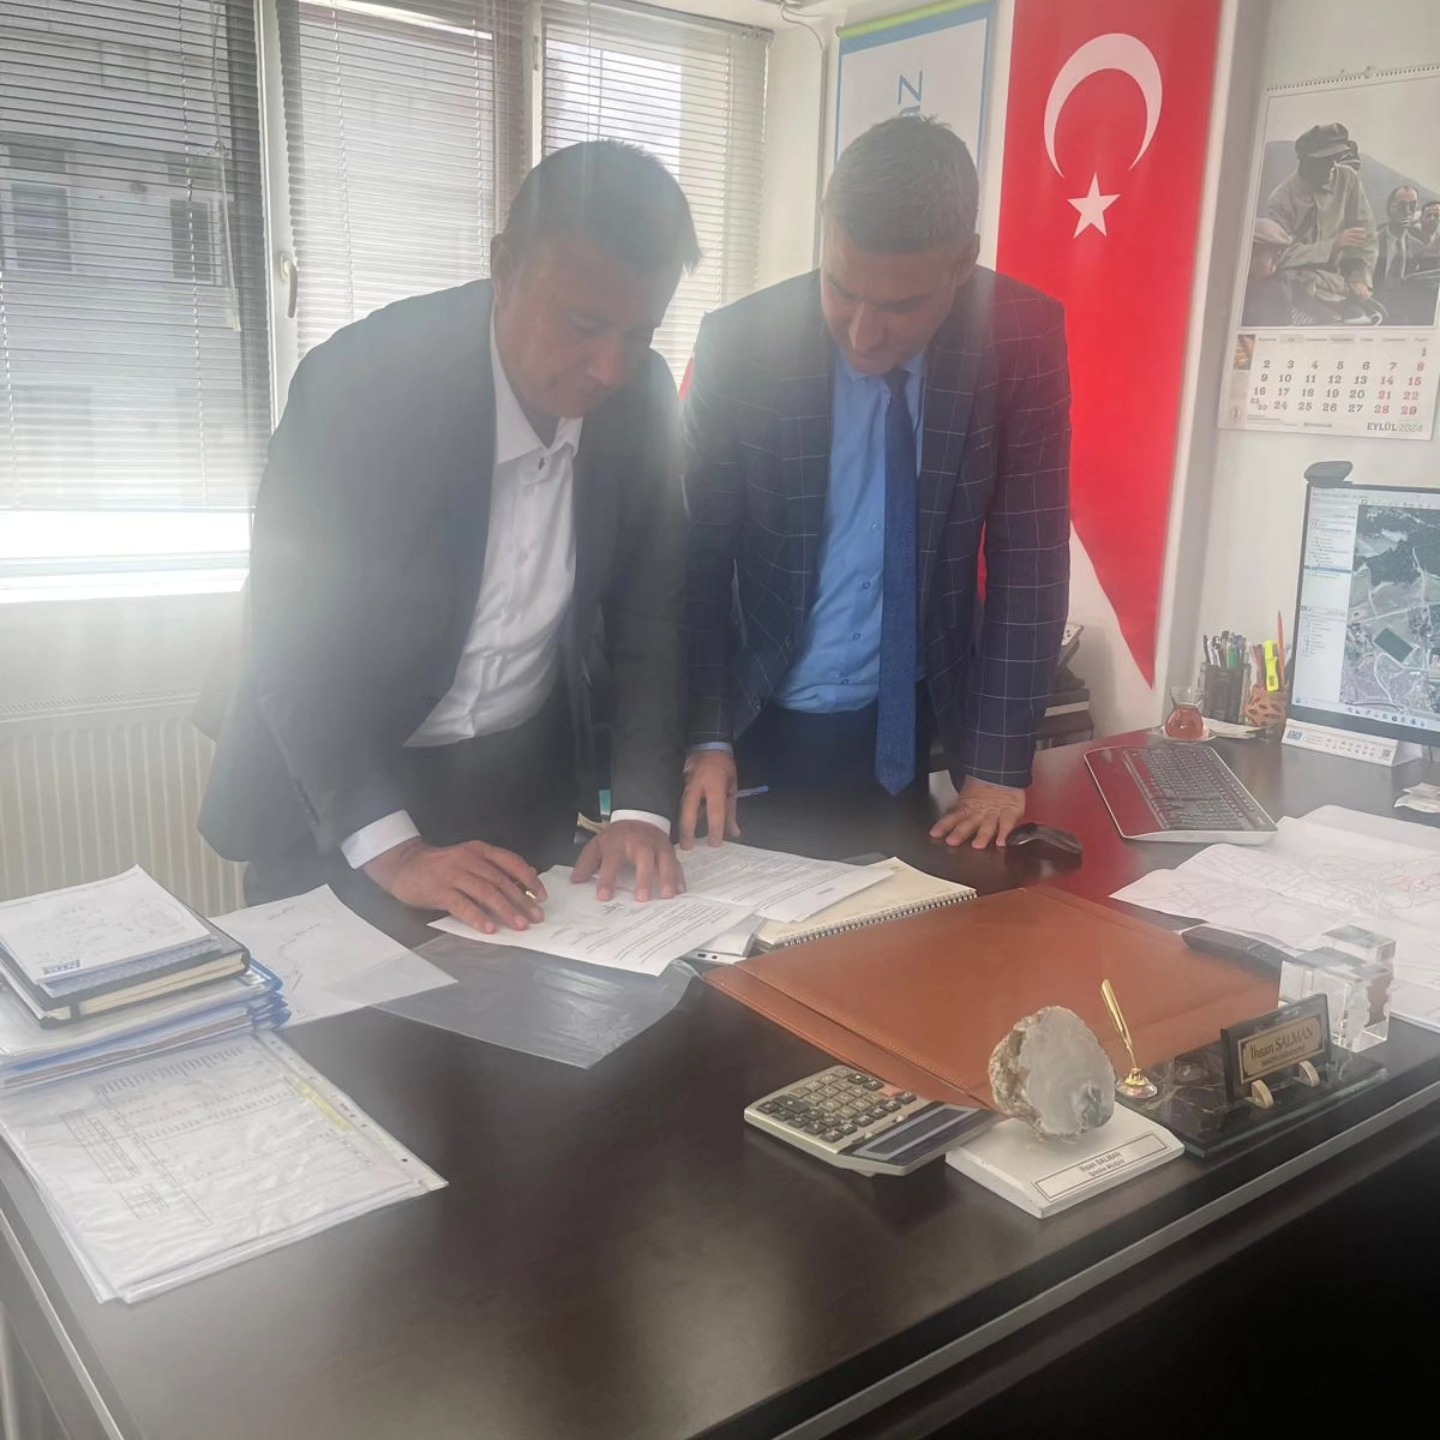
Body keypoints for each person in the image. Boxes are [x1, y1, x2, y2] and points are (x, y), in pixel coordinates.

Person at [200, 141, 696, 932]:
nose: (609, 368)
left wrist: (640, 811)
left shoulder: (641, 405)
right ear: (505, 269)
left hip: (517, 796)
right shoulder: (361, 389)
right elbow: (292, 645)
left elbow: (650, 617)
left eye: (639, 333)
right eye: (584, 325)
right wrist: (397, 853)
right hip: (340, 800)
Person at [681, 117, 1070, 852]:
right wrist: (706, 734)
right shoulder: (742, 345)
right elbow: (695, 558)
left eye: (900, 306)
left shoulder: (1019, 337)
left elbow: (1031, 557)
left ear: (963, 264)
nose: (862, 333)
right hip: (756, 714)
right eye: (841, 289)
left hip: (912, 719)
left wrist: (996, 767)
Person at [1265, 122, 1377, 324]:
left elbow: (1366, 235)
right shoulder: (1281, 199)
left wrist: (1361, 277)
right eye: (1324, 160)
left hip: (1343, 282)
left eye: (1335, 158)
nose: (1332, 166)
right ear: (1305, 161)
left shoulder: (1348, 179)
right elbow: (1281, 255)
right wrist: (1332, 245)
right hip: (1298, 286)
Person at [1242, 217, 1296, 326]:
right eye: (1273, 257)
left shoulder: (1276, 289)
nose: (1274, 266)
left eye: (1278, 257)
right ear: (1252, 254)